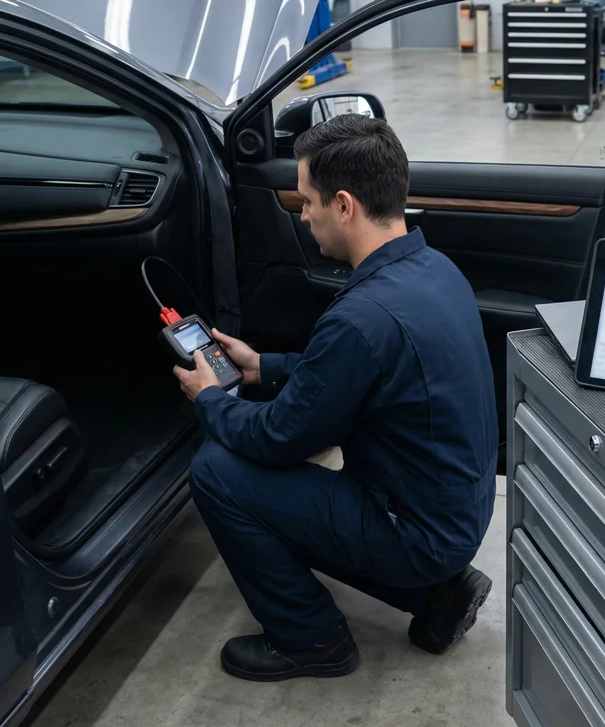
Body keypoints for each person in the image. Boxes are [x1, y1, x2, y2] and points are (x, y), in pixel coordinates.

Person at [172, 113, 499, 682]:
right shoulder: (435, 269)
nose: (303, 215)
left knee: (218, 472)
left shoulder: (359, 317)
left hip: (413, 528)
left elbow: (278, 439)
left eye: (307, 202)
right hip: (458, 513)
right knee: (297, 502)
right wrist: (258, 368)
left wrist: (210, 398)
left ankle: (312, 640)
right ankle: (437, 593)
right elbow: (354, 374)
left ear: (344, 206)